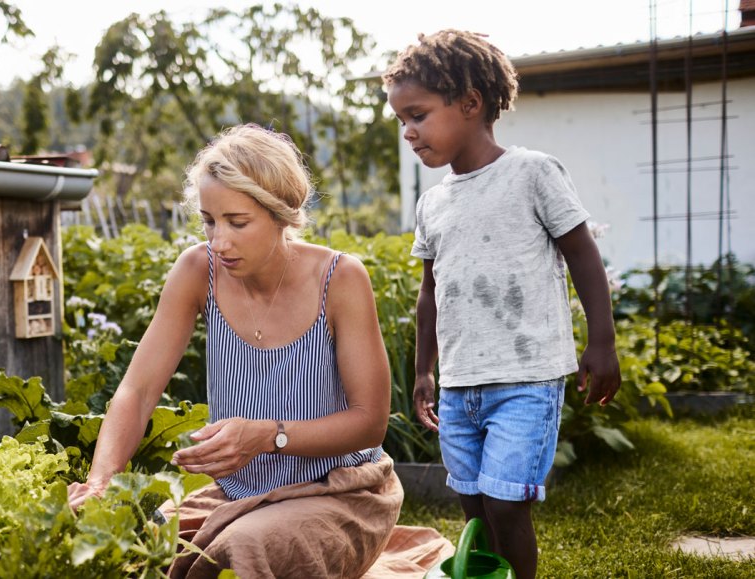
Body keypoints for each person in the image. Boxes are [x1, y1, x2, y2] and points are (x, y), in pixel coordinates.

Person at [66, 123, 452, 578]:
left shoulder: (340, 279)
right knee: (130, 540)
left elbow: (369, 422)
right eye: (210, 220)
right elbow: (137, 389)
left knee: (241, 548)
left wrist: (267, 436)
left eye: (237, 222)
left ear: (282, 214)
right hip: (238, 494)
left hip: (341, 492)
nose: (218, 241)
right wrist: (100, 481)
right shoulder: (197, 270)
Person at [382, 29, 622, 579]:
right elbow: (430, 292)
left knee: (507, 505)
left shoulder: (532, 172)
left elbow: (583, 256)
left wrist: (602, 342)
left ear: (471, 102)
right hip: (462, 384)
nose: (408, 132)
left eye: (418, 114)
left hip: (527, 379)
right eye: (401, 121)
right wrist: (423, 370)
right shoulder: (433, 204)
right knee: (473, 509)